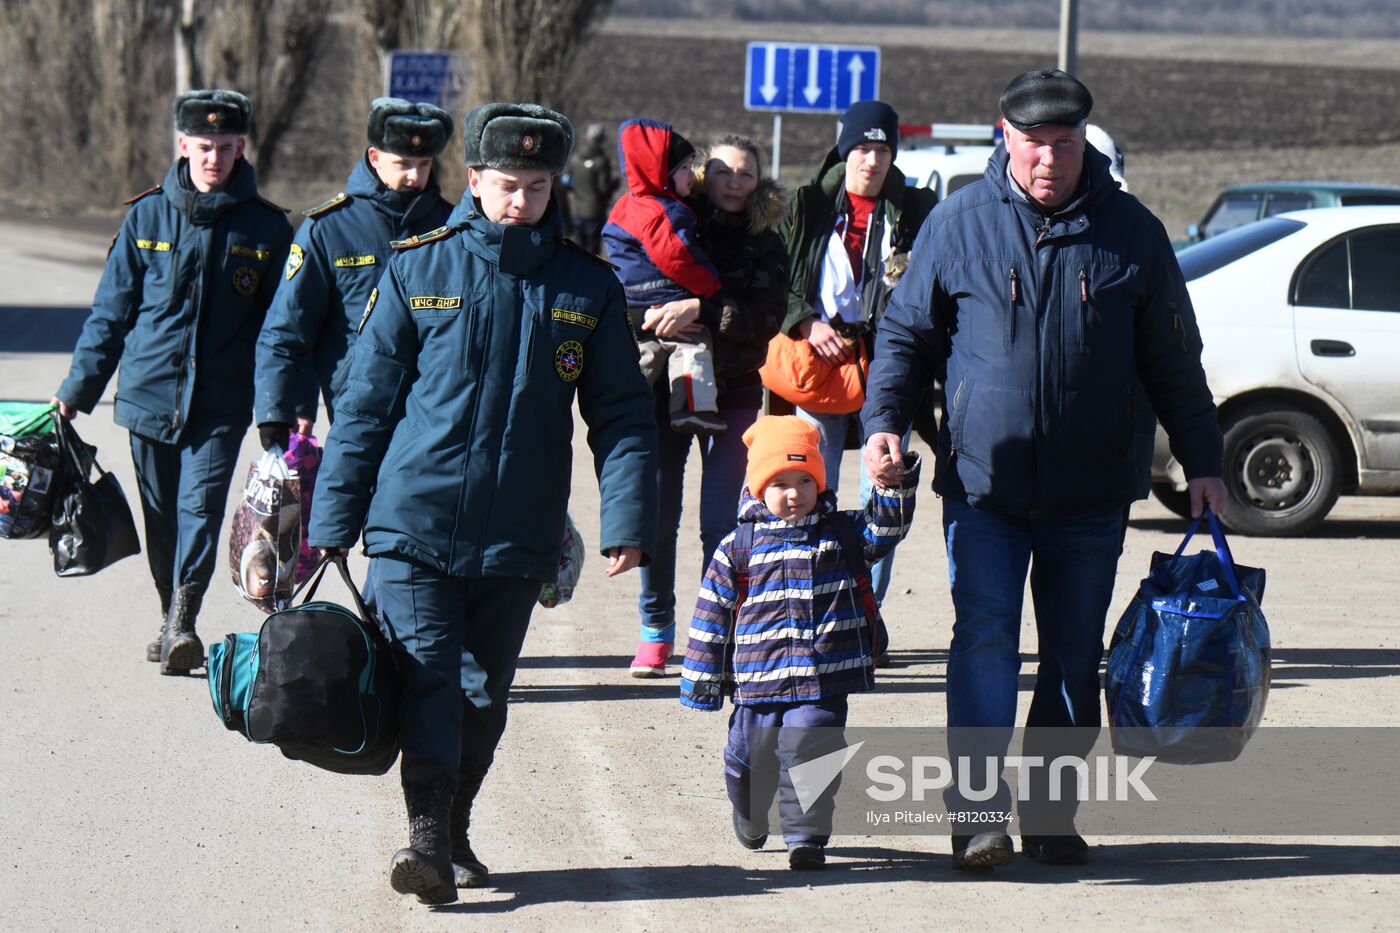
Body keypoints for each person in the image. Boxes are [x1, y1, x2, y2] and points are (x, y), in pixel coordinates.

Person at [862, 68, 1227, 871]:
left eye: (1064, 145)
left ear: (1083, 142)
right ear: (1005, 133)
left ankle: (1052, 814)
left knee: (1072, 652)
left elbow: (1175, 361)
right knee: (985, 639)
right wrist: (883, 420)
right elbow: (904, 338)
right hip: (984, 485)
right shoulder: (958, 223)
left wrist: (1204, 461)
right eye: (1034, 144)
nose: (1049, 161)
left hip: (1091, 493)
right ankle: (977, 816)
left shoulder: (1132, 232)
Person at [307, 102, 657, 905]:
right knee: (430, 677)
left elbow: (623, 417)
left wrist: (629, 521)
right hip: (412, 523)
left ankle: (454, 819)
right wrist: (332, 521)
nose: (520, 202)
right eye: (506, 185)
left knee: (483, 694)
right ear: (472, 181)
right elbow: (363, 406)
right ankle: (426, 834)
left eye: (537, 187)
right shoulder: (417, 268)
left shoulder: (586, 287)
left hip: (517, 533)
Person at [52, 89, 292, 674]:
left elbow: (283, 329)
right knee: (160, 517)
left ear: (241, 148)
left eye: (226, 147)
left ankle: (183, 620)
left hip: (220, 403)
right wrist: (76, 392)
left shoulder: (265, 227)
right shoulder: (146, 216)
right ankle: (169, 613)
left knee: (201, 509)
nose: (215, 157)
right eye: (204, 146)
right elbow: (110, 314)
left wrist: (279, 407)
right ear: (184, 146)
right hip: (148, 395)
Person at [680, 415, 920, 869]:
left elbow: (887, 530)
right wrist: (701, 681)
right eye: (781, 483)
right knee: (748, 757)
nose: (795, 493)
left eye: (805, 480)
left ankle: (805, 837)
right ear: (757, 490)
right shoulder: (738, 547)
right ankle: (749, 809)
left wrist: (893, 486)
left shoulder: (842, 533)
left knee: (814, 748)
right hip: (757, 682)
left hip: (823, 678)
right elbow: (709, 619)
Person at [627, 134, 788, 677]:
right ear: (702, 175)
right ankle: (655, 628)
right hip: (665, 392)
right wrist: (655, 315)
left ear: (758, 179)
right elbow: (629, 283)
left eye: (745, 173)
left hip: (737, 387)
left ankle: (712, 632)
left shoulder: (768, 238)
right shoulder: (668, 219)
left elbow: (767, 316)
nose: (735, 182)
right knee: (658, 516)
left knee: (720, 520)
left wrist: (703, 307)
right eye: (723, 171)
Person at [779, 99, 935, 615]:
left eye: (882, 149)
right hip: (819, 364)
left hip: (890, 364)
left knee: (884, 489)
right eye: (862, 148)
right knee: (808, 482)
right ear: (845, 151)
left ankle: (865, 611)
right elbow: (775, 276)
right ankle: (812, 599)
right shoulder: (806, 206)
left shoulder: (916, 210)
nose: (871, 160)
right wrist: (805, 319)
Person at [254, 97, 455, 450]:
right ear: (374, 157)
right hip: (356, 404)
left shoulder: (451, 226)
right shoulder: (329, 228)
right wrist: (276, 410)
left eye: (423, 164)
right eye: (403, 163)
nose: (414, 176)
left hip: (437, 403)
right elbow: (288, 326)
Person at [602, 118, 727, 436]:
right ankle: (693, 407)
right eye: (686, 167)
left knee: (647, 352)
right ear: (663, 172)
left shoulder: (625, 205)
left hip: (633, 298)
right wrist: (710, 285)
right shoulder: (666, 211)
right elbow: (678, 259)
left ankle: (620, 403)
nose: (691, 175)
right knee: (693, 345)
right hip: (666, 292)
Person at [565, 122, 616, 253]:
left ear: (587, 137)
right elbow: (604, 188)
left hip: (578, 209)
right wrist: (615, 183)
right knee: (593, 252)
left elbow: (567, 181)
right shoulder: (602, 161)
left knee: (578, 250)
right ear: (602, 140)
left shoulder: (575, 159)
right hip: (595, 212)